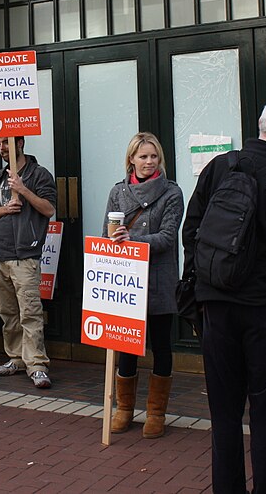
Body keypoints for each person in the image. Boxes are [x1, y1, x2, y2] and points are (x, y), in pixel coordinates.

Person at [182, 98, 266, 494]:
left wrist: (203, 291)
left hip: (217, 310)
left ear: (259, 127)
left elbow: (191, 232)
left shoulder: (219, 168)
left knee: (223, 417)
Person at [103, 132, 184, 438]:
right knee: (126, 346)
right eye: (143, 157)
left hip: (159, 278)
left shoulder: (172, 193)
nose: (149, 162)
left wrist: (132, 238)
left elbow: (167, 237)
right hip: (126, 280)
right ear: (131, 160)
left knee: (161, 345)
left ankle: (156, 412)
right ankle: (124, 409)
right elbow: (105, 234)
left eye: (154, 156)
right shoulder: (118, 192)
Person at [0, 136, 57, 389]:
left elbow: (49, 209)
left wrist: (24, 190)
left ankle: (37, 364)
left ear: (20, 143)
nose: (2, 148)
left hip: (25, 255)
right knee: (8, 311)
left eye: (6, 142)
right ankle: (16, 358)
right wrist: (5, 209)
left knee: (30, 311)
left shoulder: (39, 174)